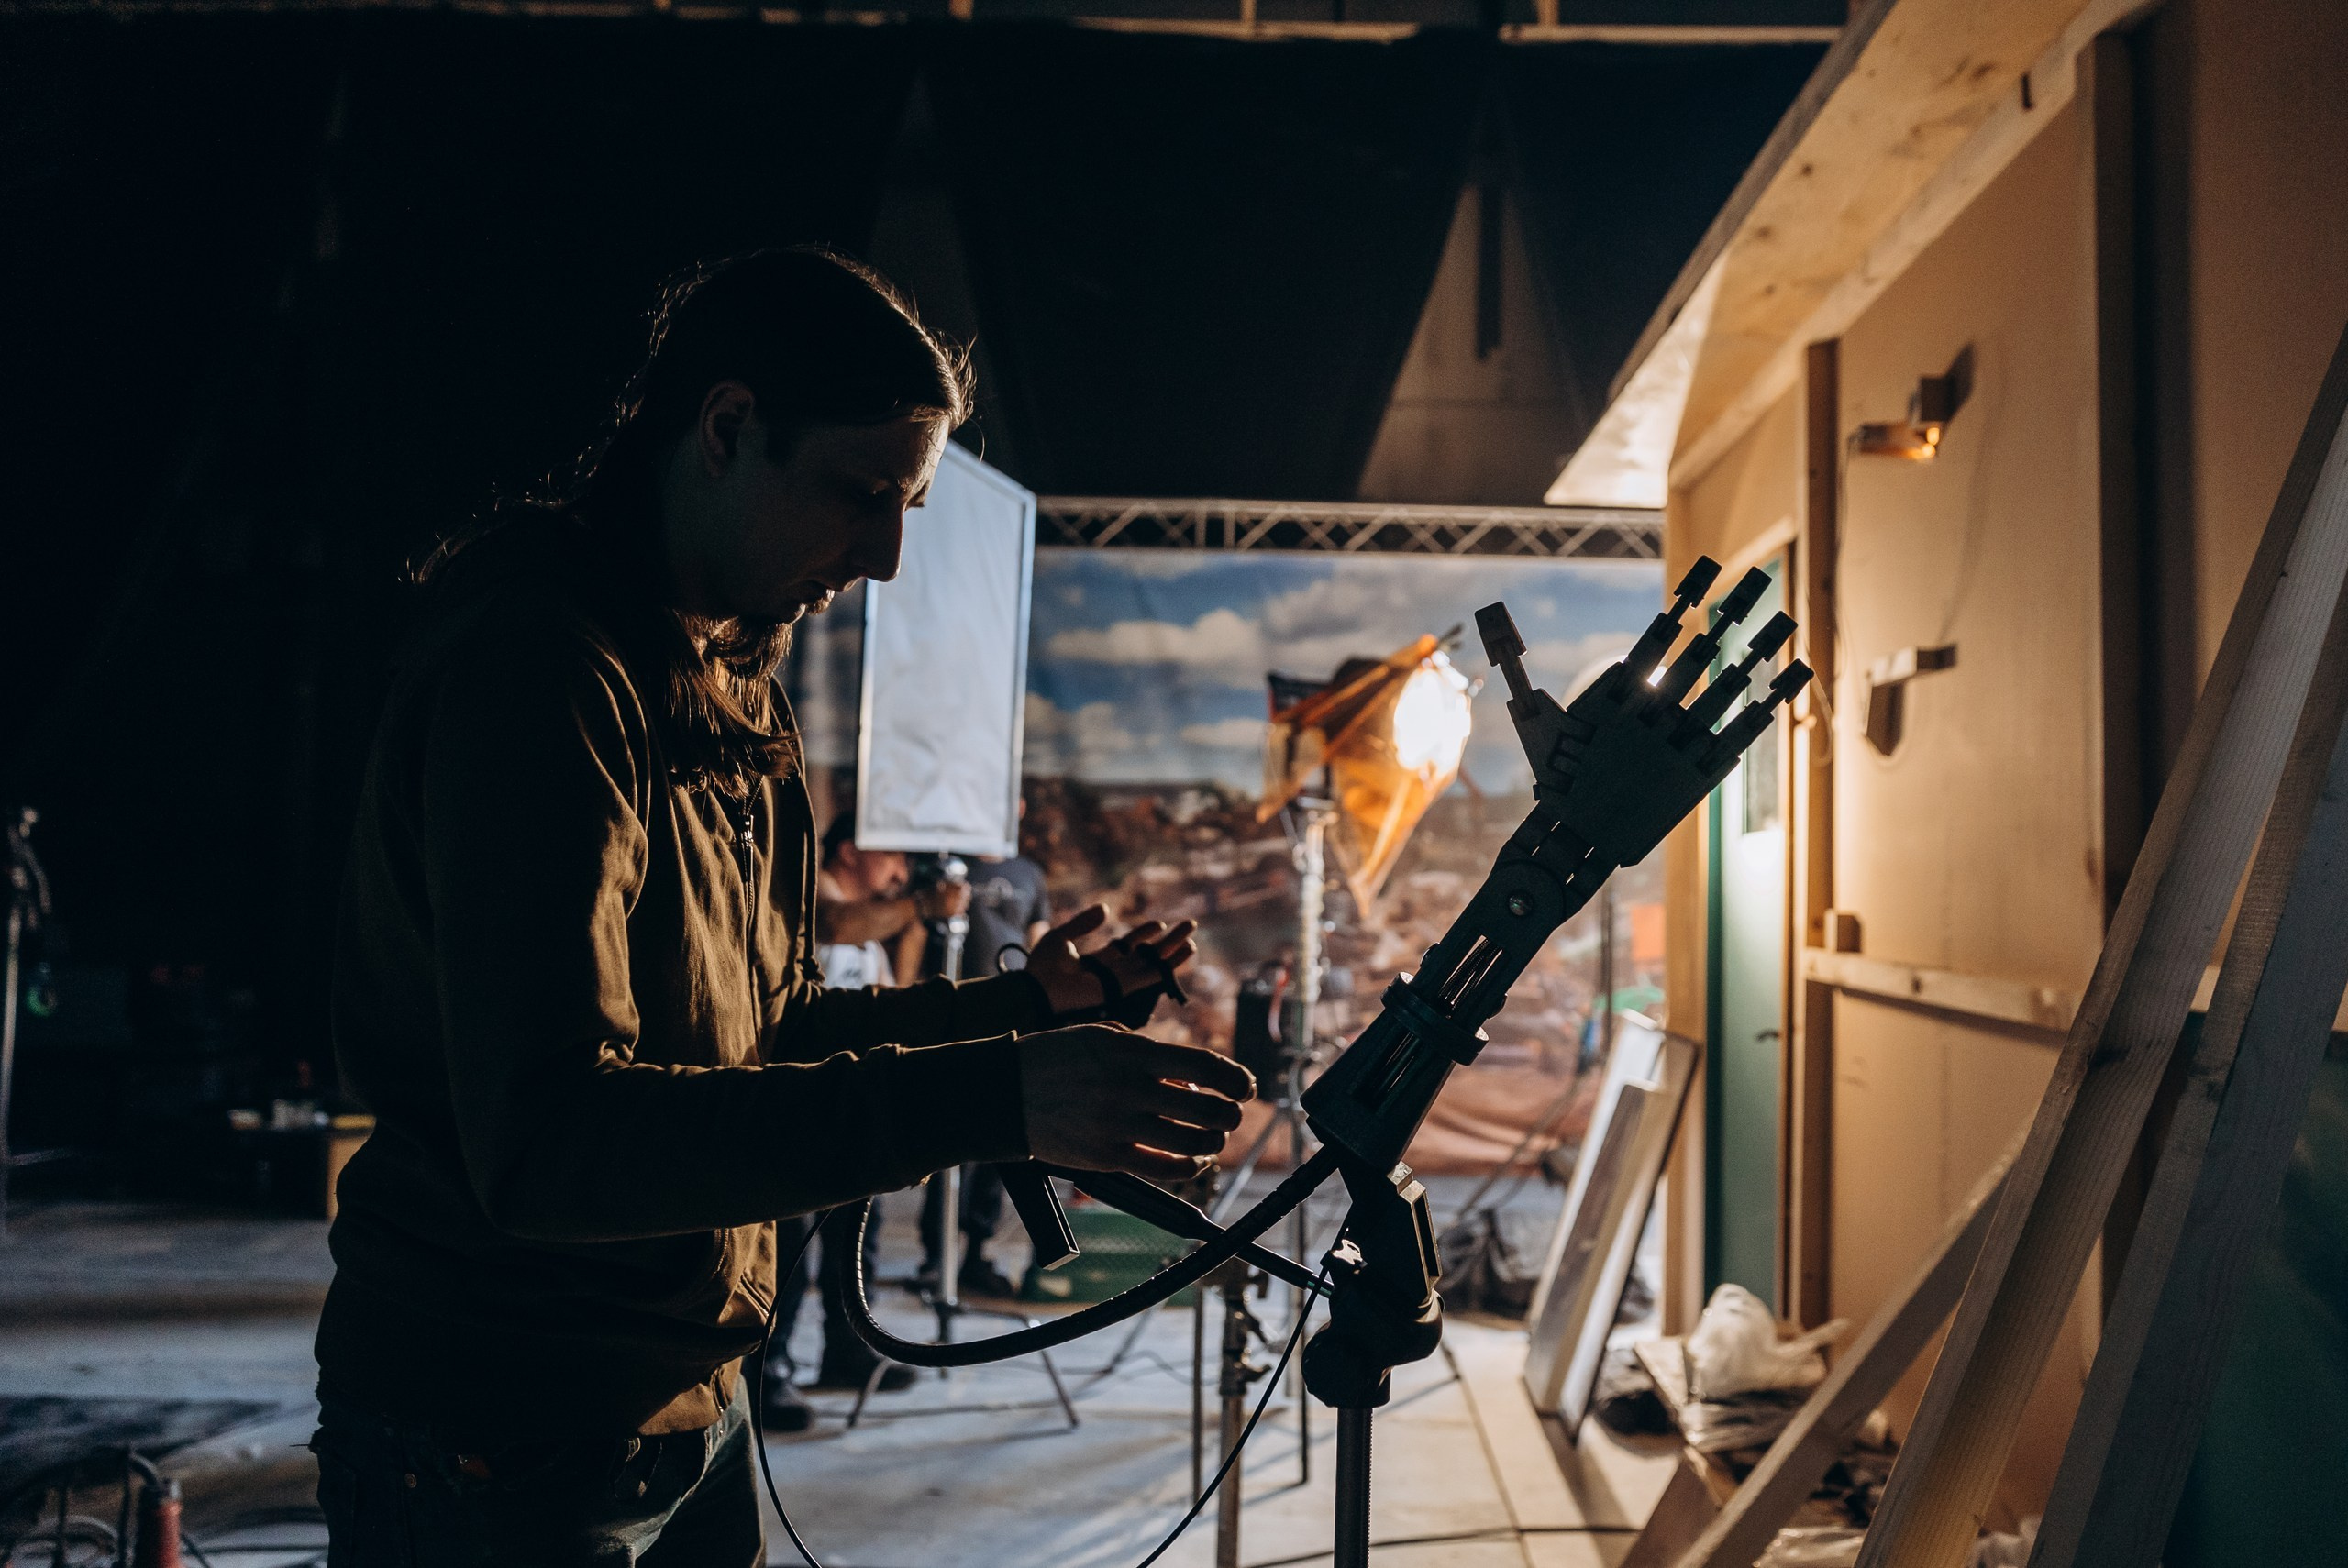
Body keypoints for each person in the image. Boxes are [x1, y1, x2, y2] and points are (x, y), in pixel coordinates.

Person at [312, 248, 1252, 1566]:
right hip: (504, 1436)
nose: (883, 556)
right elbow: (554, 1139)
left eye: (908, 505)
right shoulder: (541, 671)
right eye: (861, 496)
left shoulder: (733, 665)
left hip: (690, 1401)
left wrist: (1018, 1011)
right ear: (727, 428)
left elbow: (757, 1030)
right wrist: (1003, 1096)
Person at [759, 815, 971, 1433]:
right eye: (890, 855)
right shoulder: (810, 896)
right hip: (794, 1103)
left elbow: (888, 998)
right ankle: (769, 1371)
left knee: (859, 1239)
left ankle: (848, 1350)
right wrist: (921, 904)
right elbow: (836, 926)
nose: (900, 871)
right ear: (849, 851)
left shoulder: (874, 920)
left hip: (849, 1104)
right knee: (789, 1250)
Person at [912, 840, 1055, 1299]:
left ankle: (976, 1254)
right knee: (948, 1144)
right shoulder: (948, 868)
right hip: (954, 1016)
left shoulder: (1029, 873)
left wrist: (1045, 1005)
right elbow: (918, 934)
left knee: (1001, 1143)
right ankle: (937, 1258)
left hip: (1013, 1020)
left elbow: (1039, 940)